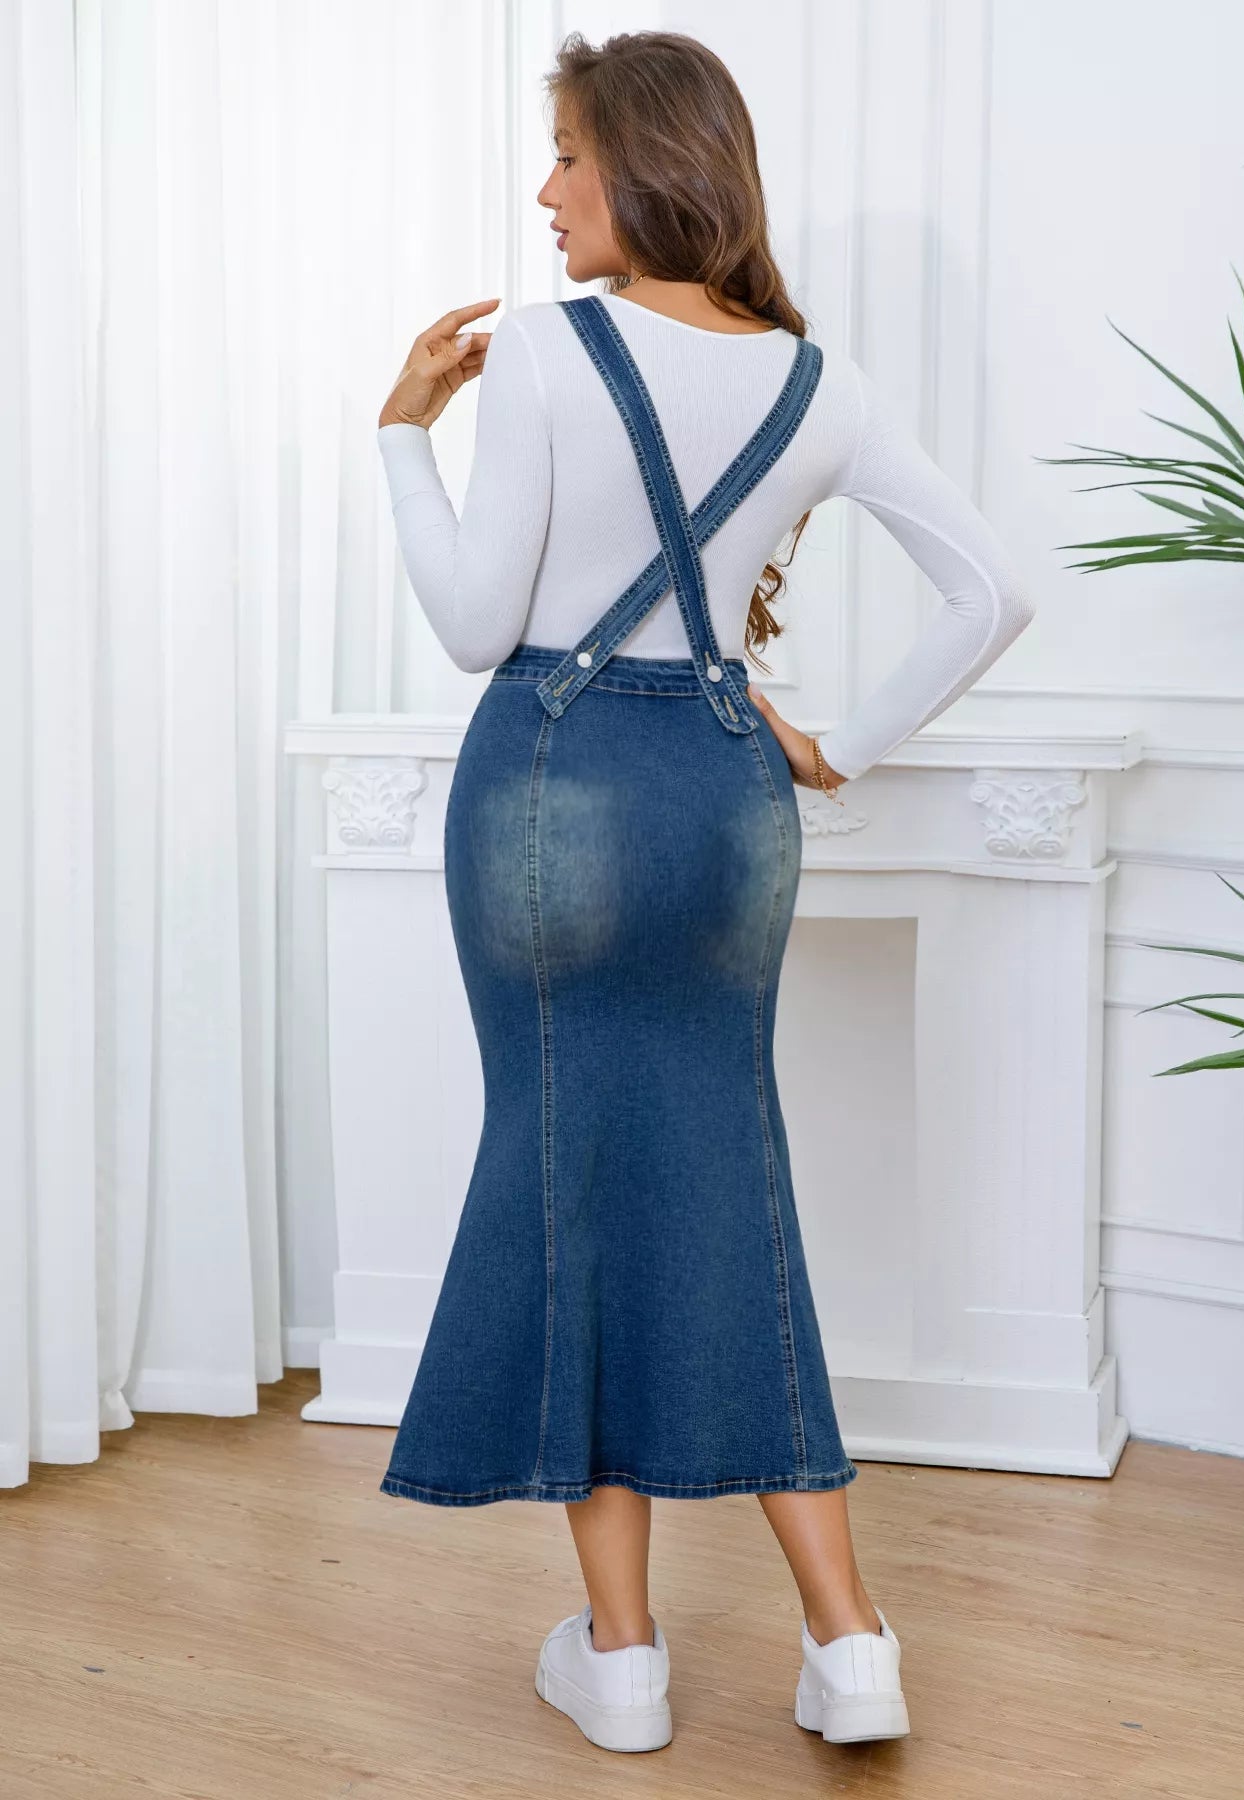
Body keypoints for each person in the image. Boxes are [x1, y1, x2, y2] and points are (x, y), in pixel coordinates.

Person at [374, 27, 1034, 1756]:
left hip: (550, 787)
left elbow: (468, 627)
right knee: (728, 1186)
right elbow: (990, 592)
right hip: (729, 800)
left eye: (567, 158)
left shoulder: (537, 355)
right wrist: (841, 745)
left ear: (646, 163)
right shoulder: (820, 383)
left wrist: (395, 437)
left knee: (568, 1181)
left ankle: (626, 1657)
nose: (544, 191)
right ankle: (851, 1641)